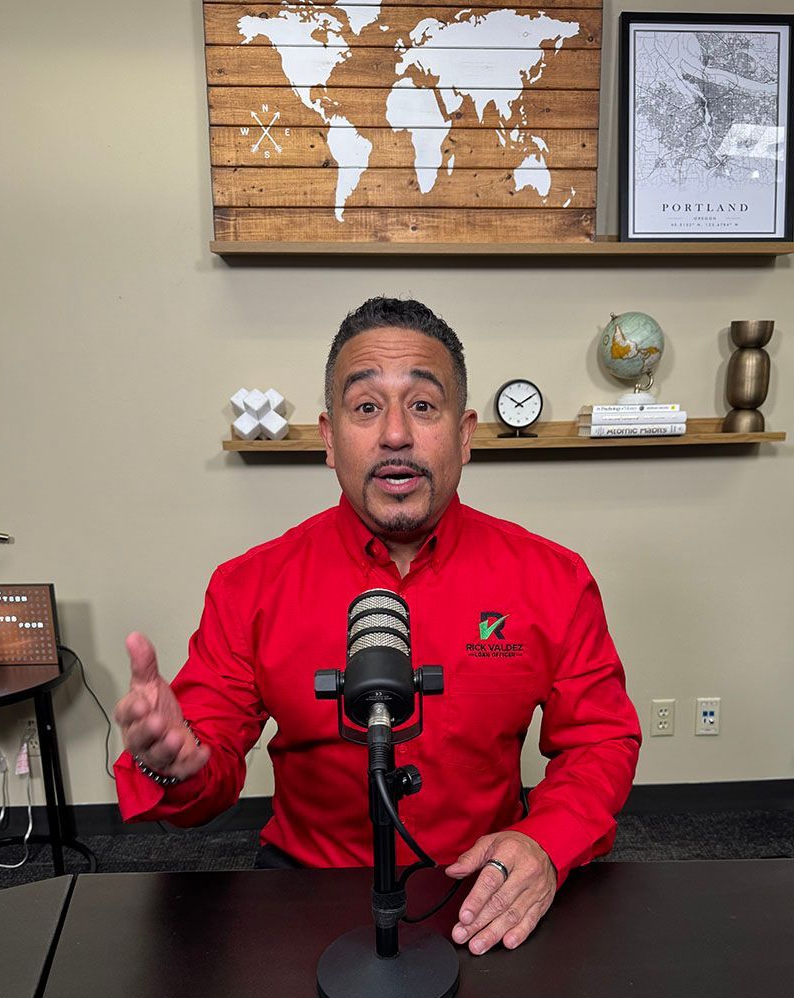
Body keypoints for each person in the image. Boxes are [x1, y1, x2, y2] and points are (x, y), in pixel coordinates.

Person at [115, 297, 641, 956]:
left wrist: (544, 842)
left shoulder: (553, 578)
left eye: (423, 405)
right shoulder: (249, 585)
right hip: (307, 892)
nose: (395, 434)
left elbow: (601, 740)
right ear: (329, 437)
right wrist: (173, 764)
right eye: (366, 407)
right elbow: (203, 764)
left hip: (483, 887)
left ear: (465, 434)